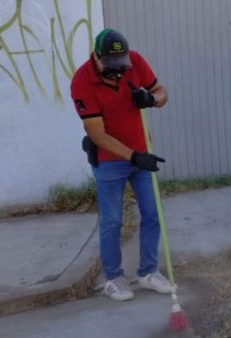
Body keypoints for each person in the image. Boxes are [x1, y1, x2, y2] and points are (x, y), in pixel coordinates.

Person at [71, 28, 172, 301]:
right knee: (112, 221)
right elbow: (97, 134)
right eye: (111, 66)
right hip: (109, 162)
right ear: (97, 56)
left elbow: (162, 93)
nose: (117, 71)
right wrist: (132, 156)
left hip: (142, 153)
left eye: (121, 65)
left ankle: (148, 272)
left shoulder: (136, 62)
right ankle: (113, 278)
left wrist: (151, 99)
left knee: (153, 214)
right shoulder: (82, 81)